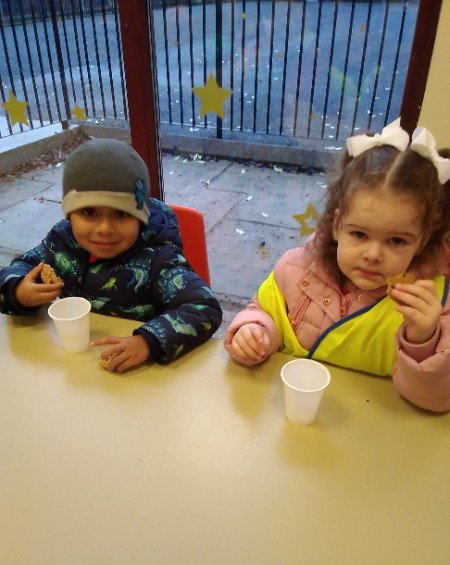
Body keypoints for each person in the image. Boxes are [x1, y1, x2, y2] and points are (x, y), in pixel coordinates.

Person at [224, 119, 450, 412]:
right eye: (360, 234)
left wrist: (423, 338)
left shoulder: (434, 304)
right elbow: (264, 312)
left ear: (421, 242)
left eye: (396, 241)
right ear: (337, 224)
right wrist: (255, 332)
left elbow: (435, 400)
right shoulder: (297, 268)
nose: (373, 254)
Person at [0, 137, 222, 371]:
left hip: (138, 374)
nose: (105, 228)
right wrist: (18, 291)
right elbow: (20, 268)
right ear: (69, 214)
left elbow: (205, 308)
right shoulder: (61, 242)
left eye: (121, 214)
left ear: (140, 218)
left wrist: (148, 342)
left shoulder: (158, 259)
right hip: (74, 367)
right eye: (89, 212)